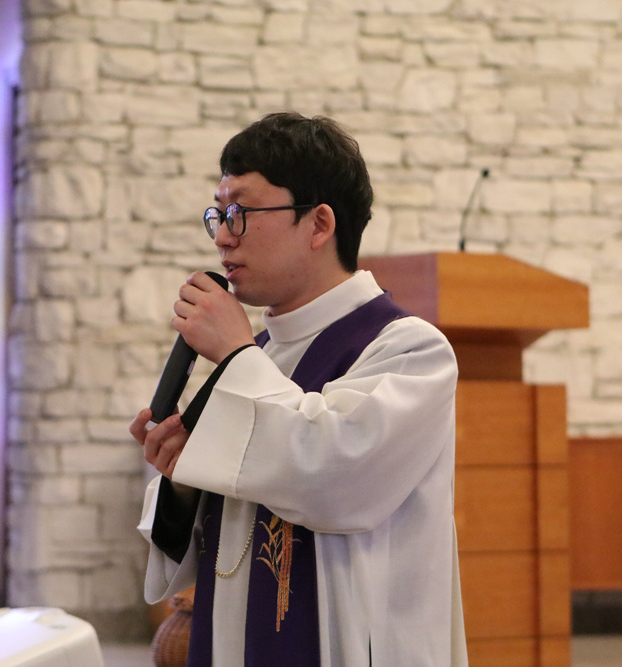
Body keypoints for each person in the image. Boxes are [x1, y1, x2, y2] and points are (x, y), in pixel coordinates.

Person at [131, 112, 467, 666]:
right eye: (219, 214)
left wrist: (235, 355)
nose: (222, 235)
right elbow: (213, 542)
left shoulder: (409, 351)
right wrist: (184, 480)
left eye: (241, 213)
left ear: (318, 224)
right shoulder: (256, 355)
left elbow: (334, 476)